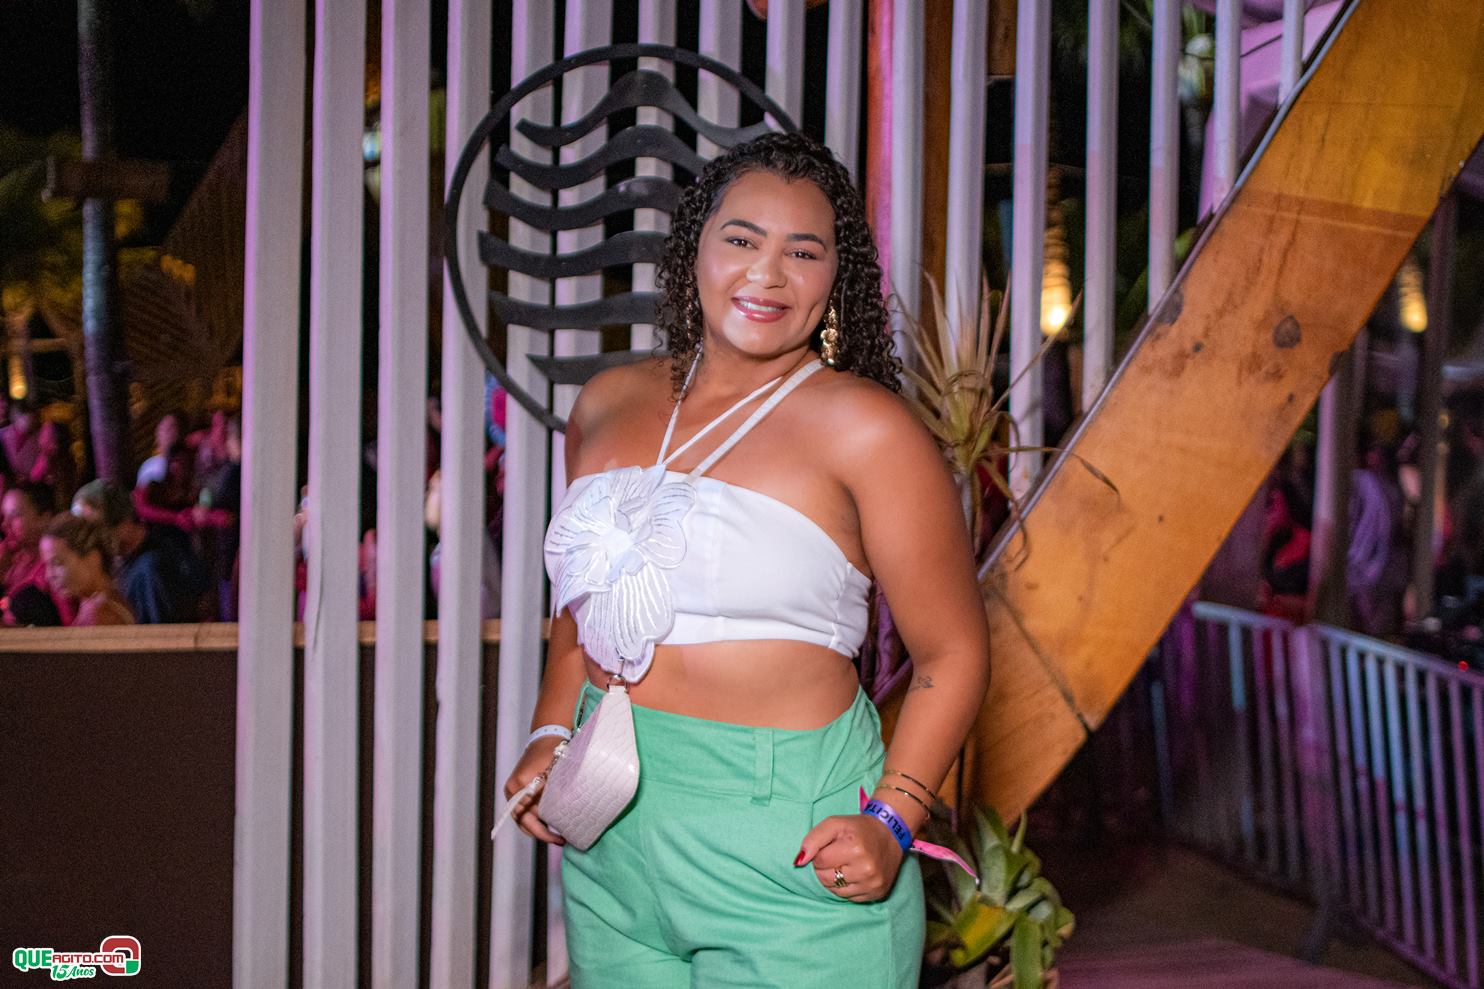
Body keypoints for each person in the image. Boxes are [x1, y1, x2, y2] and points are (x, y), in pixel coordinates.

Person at [502, 133, 991, 988]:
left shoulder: (869, 430)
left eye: (803, 251)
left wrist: (894, 818)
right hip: (609, 830)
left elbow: (954, 652)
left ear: (835, 277)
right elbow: (586, 600)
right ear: (694, 247)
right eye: (742, 239)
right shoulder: (607, 403)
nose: (768, 274)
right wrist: (550, 729)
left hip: (788, 842)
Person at [72, 479, 209, 623]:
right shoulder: (120, 563)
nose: (93, 541)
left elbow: (164, 631)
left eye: (97, 530)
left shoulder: (153, 567)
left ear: (125, 523)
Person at [40, 514, 133, 626]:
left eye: (57, 563)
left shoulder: (103, 613)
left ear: (93, 559)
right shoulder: (95, 604)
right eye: (47, 565)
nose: (48, 575)